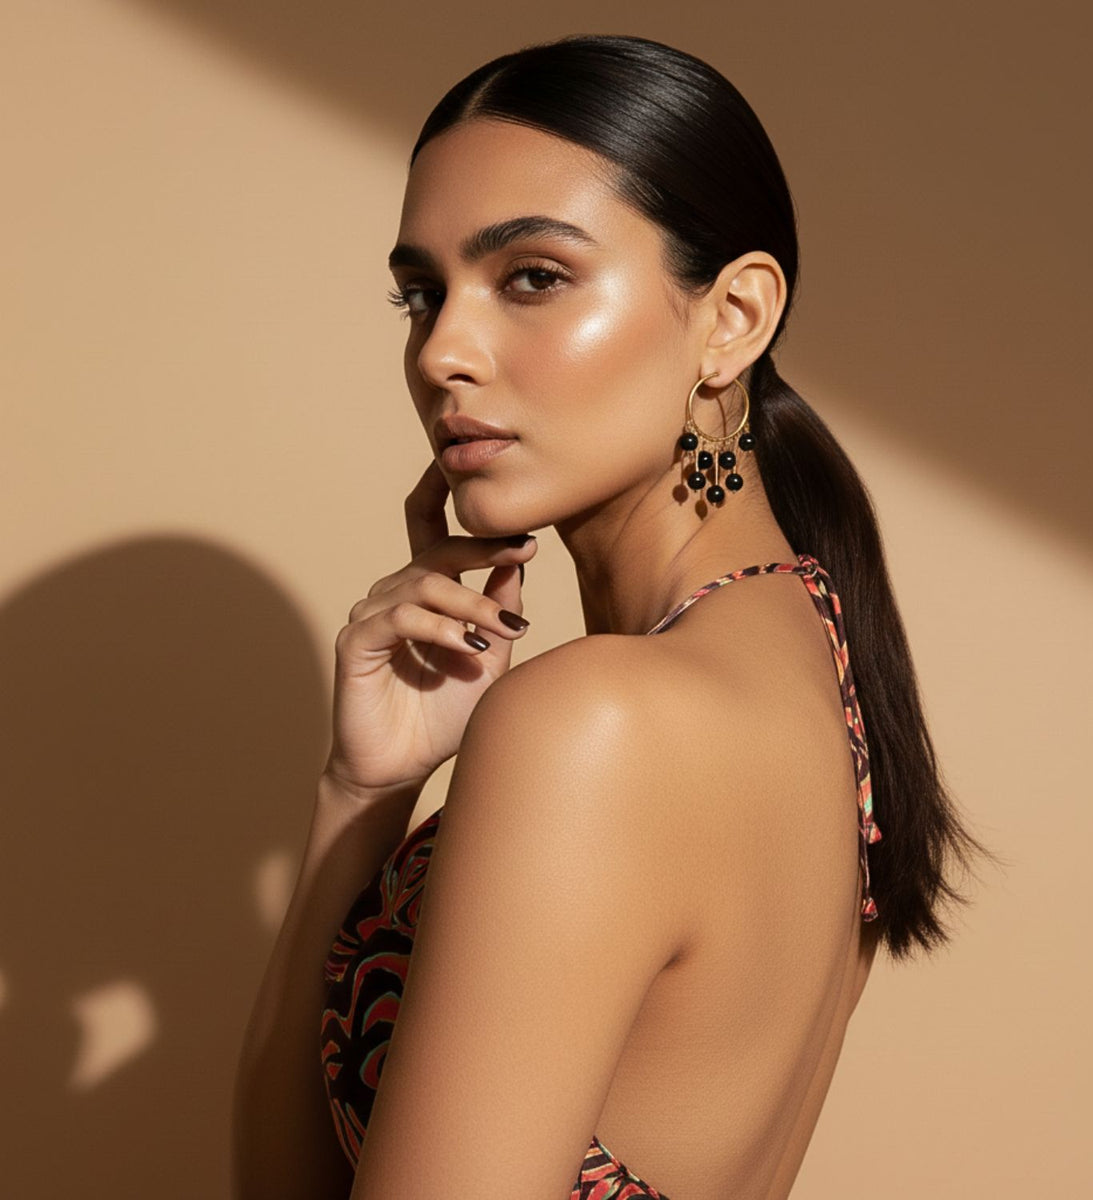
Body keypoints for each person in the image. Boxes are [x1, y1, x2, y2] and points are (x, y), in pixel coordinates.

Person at [233, 33, 992, 1199]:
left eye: (532, 276)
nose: (443, 352)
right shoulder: (821, 670)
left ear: (732, 318)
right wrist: (364, 788)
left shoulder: (596, 725)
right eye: (422, 293)